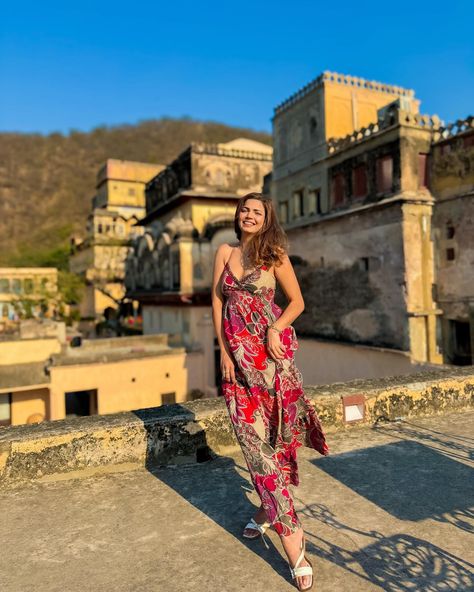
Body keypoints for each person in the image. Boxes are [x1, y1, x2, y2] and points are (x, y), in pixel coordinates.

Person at [211, 192, 329, 591]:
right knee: (252, 446)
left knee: (272, 444)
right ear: (237, 215)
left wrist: (276, 328)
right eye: (244, 210)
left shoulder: (274, 255)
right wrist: (224, 352)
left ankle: (287, 536)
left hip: (268, 363)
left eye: (256, 212)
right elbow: (216, 302)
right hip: (236, 367)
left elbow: (297, 302)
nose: (248, 215)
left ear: (266, 219)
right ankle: (281, 523)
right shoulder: (224, 252)